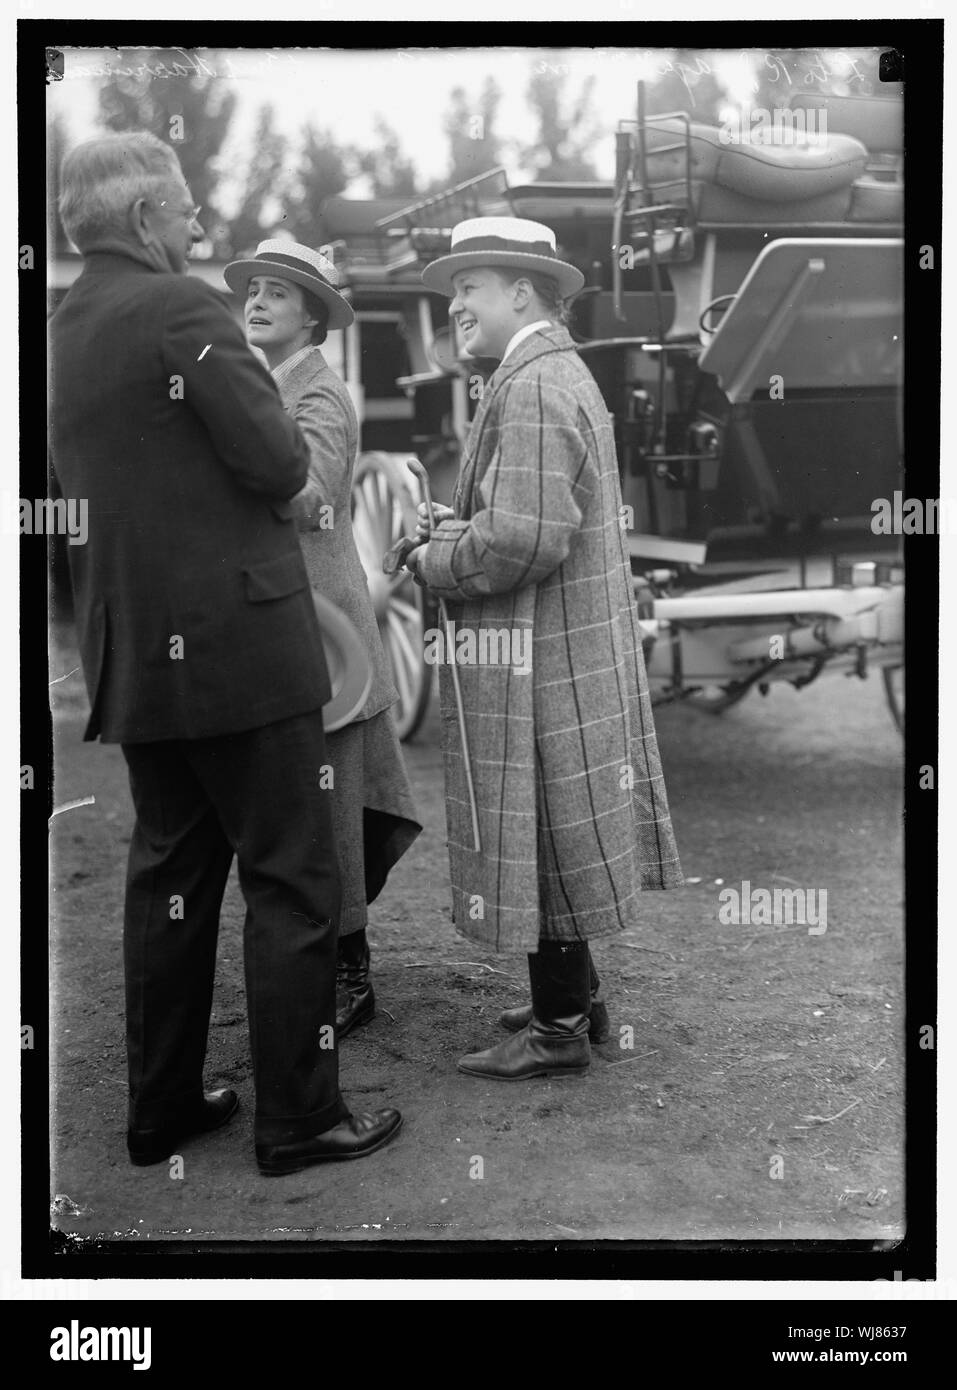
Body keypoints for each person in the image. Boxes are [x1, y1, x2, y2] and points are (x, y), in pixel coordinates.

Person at [49, 131, 401, 1175]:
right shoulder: (182, 306)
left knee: (171, 877)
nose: (200, 223)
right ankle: (299, 1120)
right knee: (293, 879)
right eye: (190, 208)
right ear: (149, 218)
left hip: (137, 655)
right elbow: (278, 455)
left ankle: (161, 1108)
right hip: (241, 653)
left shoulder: (61, 323)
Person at [407, 216, 683, 1080]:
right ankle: (578, 1004)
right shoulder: (549, 371)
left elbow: (524, 542)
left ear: (519, 292)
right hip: (563, 645)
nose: (454, 303)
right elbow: (525, 519)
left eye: (467, 287)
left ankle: (558, 1031)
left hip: (545, 652)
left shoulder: (527, 385)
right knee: (556, 830)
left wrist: (432, 558)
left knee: (544, 830)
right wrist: (462, 526)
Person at [223, 241, 422, 1037]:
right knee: (303, 798)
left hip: (324, 624)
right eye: (255, 289)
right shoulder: (266, 384)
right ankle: (322, 962)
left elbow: (309, 500)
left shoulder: (319, 394)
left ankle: (349, 977)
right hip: (286, 616)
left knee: (331, 802)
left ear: (313, 315)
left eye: (280, 292)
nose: (260, 300)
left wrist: (234, 460)